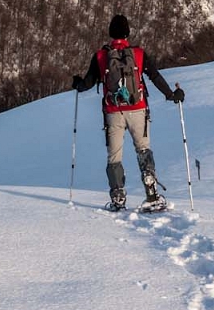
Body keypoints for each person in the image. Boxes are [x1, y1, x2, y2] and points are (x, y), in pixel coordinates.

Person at [72, 14, 185, 211]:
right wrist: (171, 95)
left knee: (114, 155)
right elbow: (155, 76)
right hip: (138, 109)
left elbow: (87, 83)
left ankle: (118, 197)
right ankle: (151, 193)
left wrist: (77, 84)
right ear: (127, 33)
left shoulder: (101, 56)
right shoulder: (139, 54)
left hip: (113, 111)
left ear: (110, 33)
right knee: (143, 149)